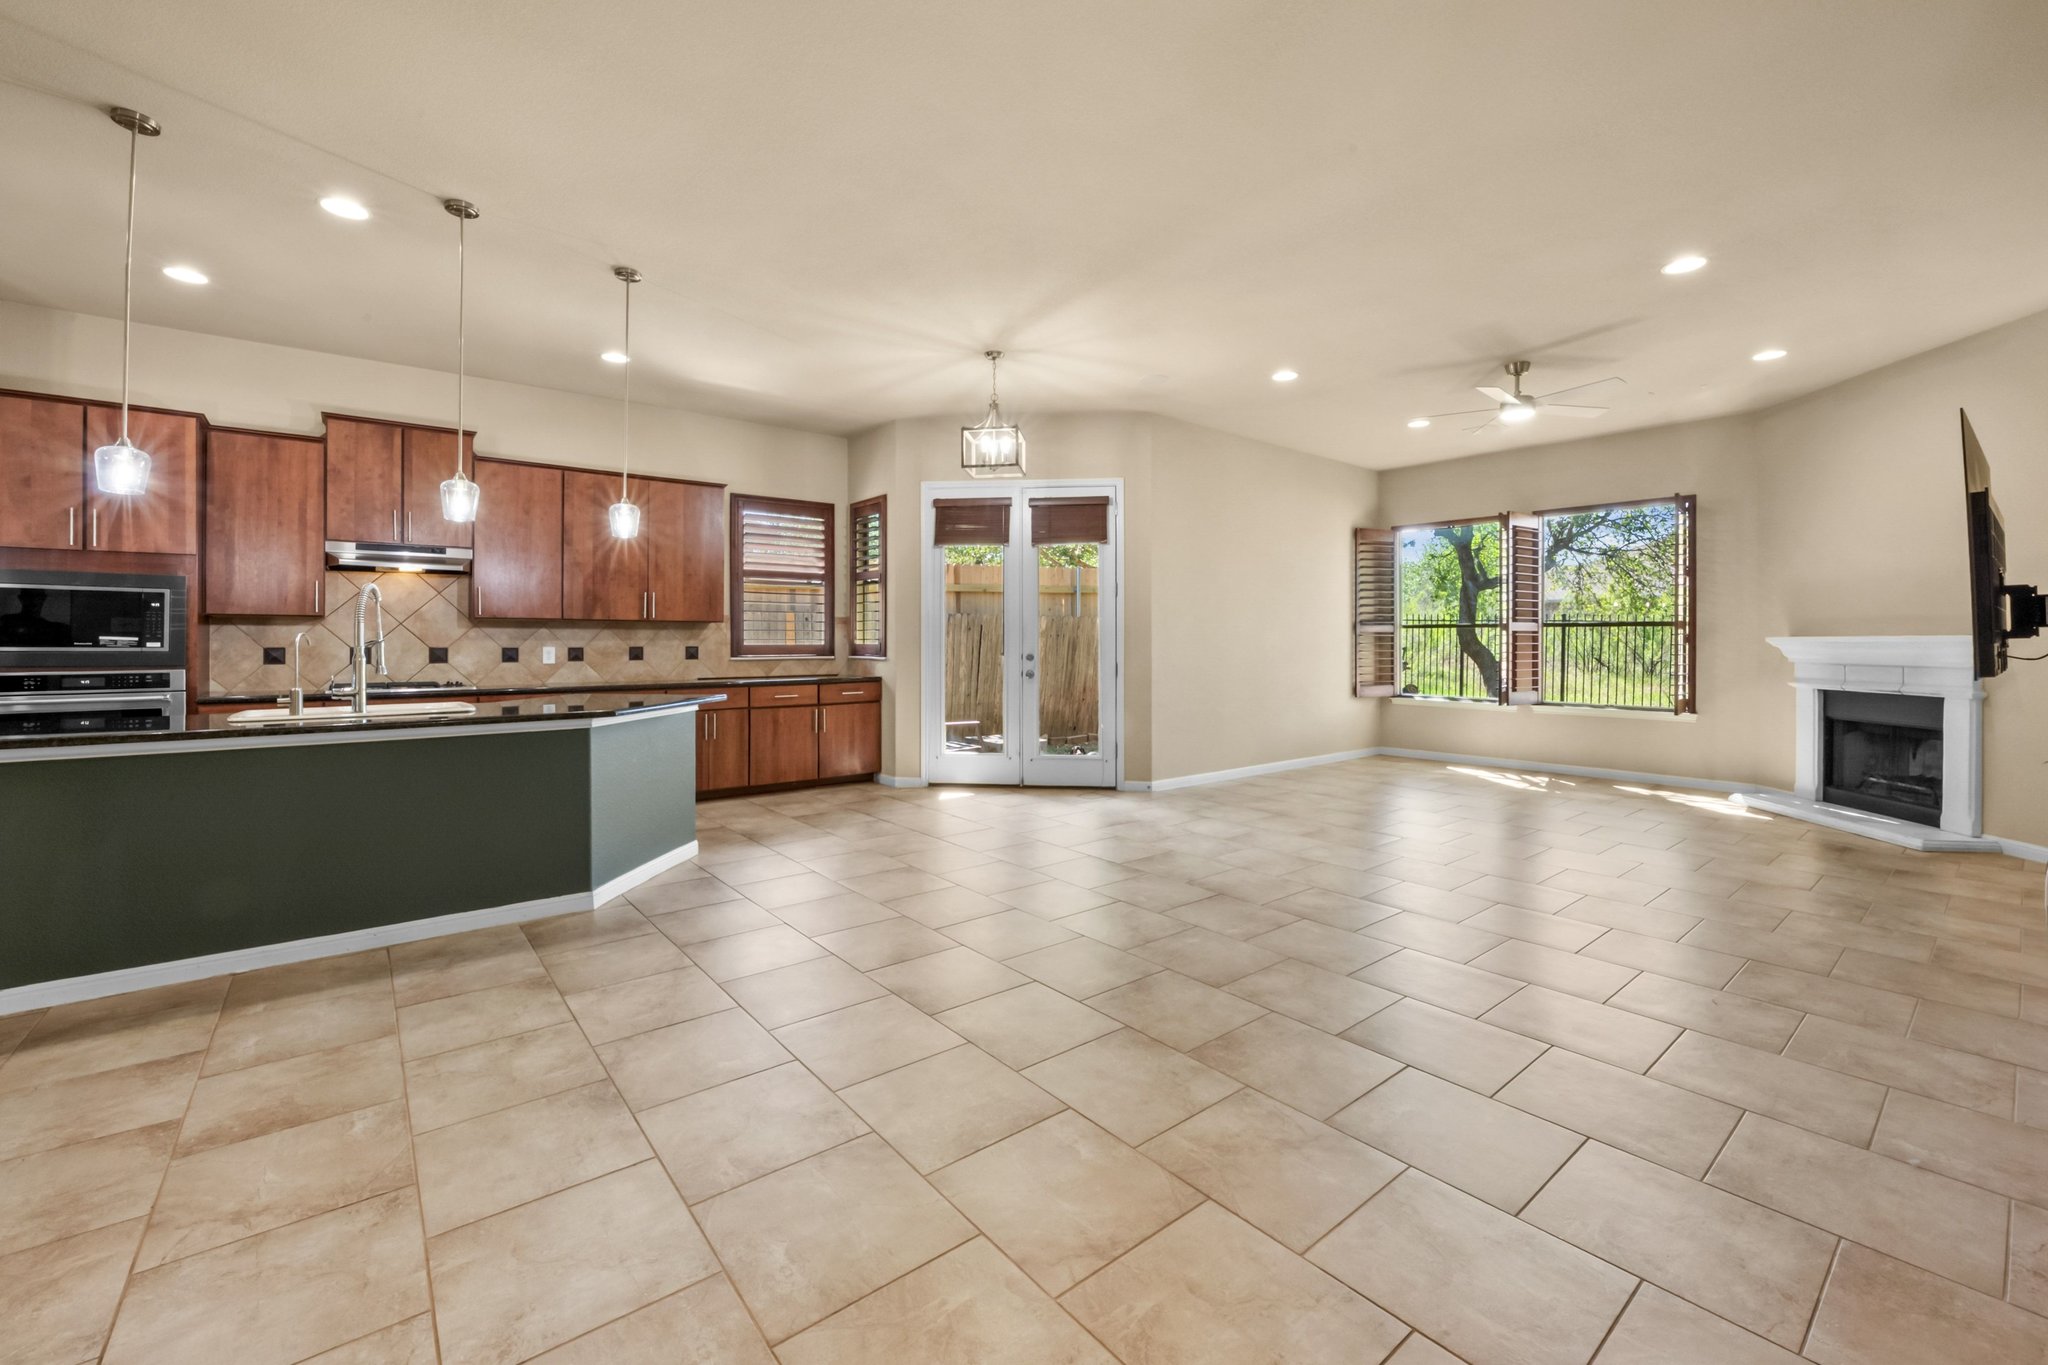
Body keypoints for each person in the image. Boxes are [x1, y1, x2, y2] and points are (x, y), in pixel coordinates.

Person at [0, 589, 72, 647]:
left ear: (43, 599)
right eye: (29, 596)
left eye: (38, 596)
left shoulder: (56, 630)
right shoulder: (7, 622)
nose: (34, 600)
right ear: (21, 598)